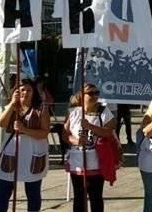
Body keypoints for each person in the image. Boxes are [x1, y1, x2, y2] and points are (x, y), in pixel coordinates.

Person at [0, 78, 50, 212]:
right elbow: (1, 123)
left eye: (29, 90)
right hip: (12, 152)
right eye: (22, 90)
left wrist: (25, 130)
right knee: (3, 193)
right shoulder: (12, 107)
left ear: (34, 92)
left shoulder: (41, 109)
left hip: (32, 152)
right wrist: (12, 104)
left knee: (33, 193)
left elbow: (44, 132)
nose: (25, 93)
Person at [63, 83, 117, 212]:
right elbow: (65, 134)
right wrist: (76, 141)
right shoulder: (73, 112)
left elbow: (109, 132)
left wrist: (90, 126)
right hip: (77, 161)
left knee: (95, 196)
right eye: (91, 93)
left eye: (96, 93)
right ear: (82, 95)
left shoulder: (104, 111)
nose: (94, 96)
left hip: (96, 161)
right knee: (79, 197)